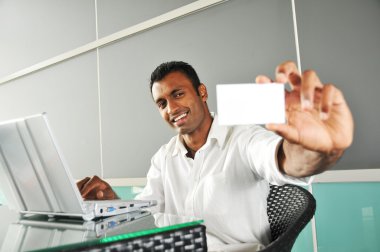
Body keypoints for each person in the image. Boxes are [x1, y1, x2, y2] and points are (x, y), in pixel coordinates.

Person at [77, 61, 354, 249]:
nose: (171, 108)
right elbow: (147, 212)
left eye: (178, 94)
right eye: (162, 103)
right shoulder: (163, 158)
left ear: (202, 92)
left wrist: (317, 148)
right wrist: (113, 203)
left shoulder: (242, 136)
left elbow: (285, 160)